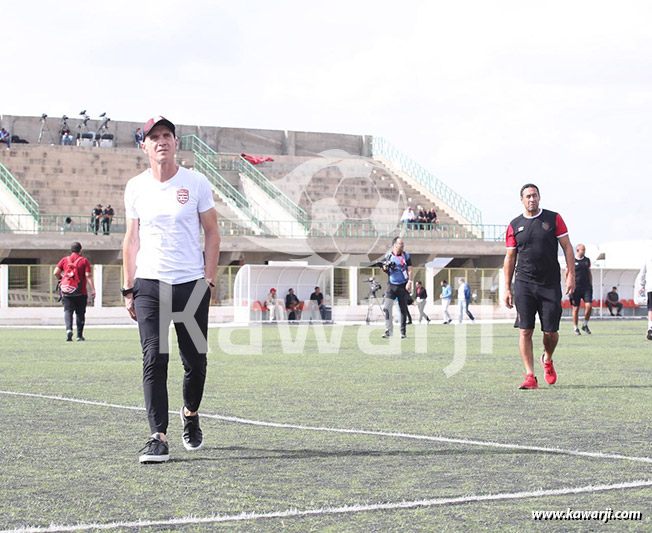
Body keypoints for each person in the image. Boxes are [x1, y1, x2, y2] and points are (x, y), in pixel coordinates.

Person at [122, 116, 220, 464]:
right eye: (154, 137)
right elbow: (131, 239)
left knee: (195, 360)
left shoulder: (195, 182)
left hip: (191, 284)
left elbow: (211, 231)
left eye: (167, 135)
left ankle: (190, 413)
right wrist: (128, 287)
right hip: (149, 284)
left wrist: (208, 279)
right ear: (144, 145)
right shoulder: (135, 187)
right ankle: (157, 436)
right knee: (154, 356)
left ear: (176, 142)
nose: (161, 141)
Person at [504, 183, 575, 390]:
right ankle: (530, 376)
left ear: (539, 197)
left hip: (550, 284)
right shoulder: (514, 224)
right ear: (522, 199)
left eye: (535, 195)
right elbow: (510, 258)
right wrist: (507, 288)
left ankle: (548, 358)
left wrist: (571, 275)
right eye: (528, 196)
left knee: (550, 333)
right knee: (525, 330)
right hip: (524, 283)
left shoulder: (554, 219)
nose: (532, 199)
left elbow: (567, 246)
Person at [53, 242, 96, 342]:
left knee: (68, 311)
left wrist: (61, 279)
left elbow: (56, 272)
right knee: (80, 313)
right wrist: (93, 289)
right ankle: (79, 336)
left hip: (67, 292)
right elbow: (88, 276)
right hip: (81, 292)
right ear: (80, 250)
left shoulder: (64, 260)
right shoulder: (84, 261)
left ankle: (69, 330)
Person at [381, 237, 413, 339]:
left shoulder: (406, 255)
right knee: (387, 307)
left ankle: (403, 332)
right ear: (395, 245)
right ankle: (388, 331)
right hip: (391, 285)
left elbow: (410, 270)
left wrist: (409, 282)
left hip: (402, 285)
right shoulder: (388, 256)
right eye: (400, 243)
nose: (402, 245)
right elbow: (385, 270)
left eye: (403, 243)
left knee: (403, 309)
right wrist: (385, 268)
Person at [569, 244, 593, 335]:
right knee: (576, 308)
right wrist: (569, 285)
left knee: (589, 306)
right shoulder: (572, 260)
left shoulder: (587, 260)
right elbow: (567, 273)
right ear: (577, 250)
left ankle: (585, 325)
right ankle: (575, 328)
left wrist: (590, 284)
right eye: (582, 250)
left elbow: (589, 272)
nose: (584, 251)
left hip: (586, 287)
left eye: (584, 249)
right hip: (576, 288)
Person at [638, 255, 652, 340]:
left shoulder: (648, 259)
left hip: (650, 287)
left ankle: (650, 327)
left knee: (651, 308)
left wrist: (642, 286)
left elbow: (642, 274)